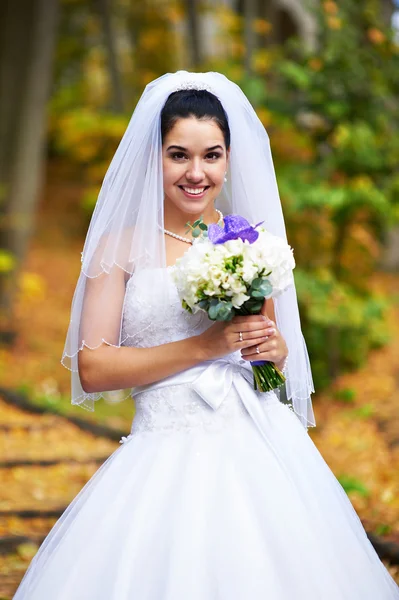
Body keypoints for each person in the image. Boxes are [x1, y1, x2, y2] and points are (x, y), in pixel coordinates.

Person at [13, 71, 399, 599]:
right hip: (161, 450)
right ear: (155, 157)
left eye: (211, 155)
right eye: (179, 155)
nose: (197, 172)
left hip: (258, 448)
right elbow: (94, 367)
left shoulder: (250, 244)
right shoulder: (117, 249)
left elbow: (267, 358)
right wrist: (205, 347)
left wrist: (276, 351)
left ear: (228, 159)